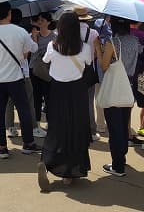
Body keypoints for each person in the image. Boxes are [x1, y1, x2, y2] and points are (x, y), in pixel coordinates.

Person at [37, 11, 92, 191]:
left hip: (57, 91)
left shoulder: (53, 46)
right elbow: (89, 64)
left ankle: (46, 161)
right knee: (75, 130)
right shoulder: (85, 48)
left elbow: (44, 61)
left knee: (56, 128)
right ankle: (69, 173)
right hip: (77, 92)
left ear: (59, 27)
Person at [0, 1, 41, 159]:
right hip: (15, 78)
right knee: (24, 110)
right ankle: (28, 143)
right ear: (9, 13)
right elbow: (30, 51)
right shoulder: (20, 31)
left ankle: (2, 147)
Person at [95, 16, 141, 177]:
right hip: (128, 86)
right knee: (123, 125)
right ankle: (121, 158)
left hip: (115, 87)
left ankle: (117, 166)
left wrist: (98, 50)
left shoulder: (113, 43)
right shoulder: (135, 41)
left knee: (114, 129)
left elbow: (104, 65)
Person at [6, 9, 38, 138]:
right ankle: (32, 128)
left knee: (9, 102)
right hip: (22, 73)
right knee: (27, 102)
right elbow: (33, 49)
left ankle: (10, 127)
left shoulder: (0, 32)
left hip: (6, 73)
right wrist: (34, 36)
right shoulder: (22, 33)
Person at [73, 6, 101, 142]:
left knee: (74, 101)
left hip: (72, 70)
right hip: (88, 70)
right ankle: (91, 131)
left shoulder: (68, 32)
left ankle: (75, 129)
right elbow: (96, 54)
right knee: (89, 102)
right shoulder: (94, 33)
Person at [29, 12, 55, 138]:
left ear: (49, 22)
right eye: (38, 19)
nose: (40, 22)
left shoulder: (54, 37)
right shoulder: (33, 35)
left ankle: (50, 123)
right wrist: (34, 39)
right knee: (36, 98)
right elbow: (32, 53)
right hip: (34, 69)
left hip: (48, 71)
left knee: (49, 98)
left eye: (43, 20)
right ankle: (37, 124)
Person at [130, 21, 144, 142]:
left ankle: (128, 134)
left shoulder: (121, 36)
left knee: (127, 106)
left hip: (126, 76)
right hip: (142, 75)